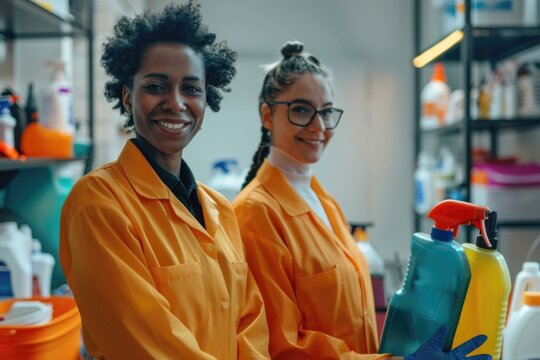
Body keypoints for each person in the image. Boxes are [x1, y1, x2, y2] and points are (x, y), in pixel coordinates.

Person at [232, 41, 491, 360]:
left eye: (327, 112)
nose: (319, 126)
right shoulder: (254, 214)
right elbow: (281, 348)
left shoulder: (321, 199)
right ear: (267, 115)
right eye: (301, 110)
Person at [59, 3, 270, 359]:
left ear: (206, 99)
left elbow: (249, 324)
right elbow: (144, 342)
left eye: (191, 89)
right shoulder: (97, 202)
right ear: (128, 96)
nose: (175, 103)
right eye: (156, 86)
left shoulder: (219, 208)